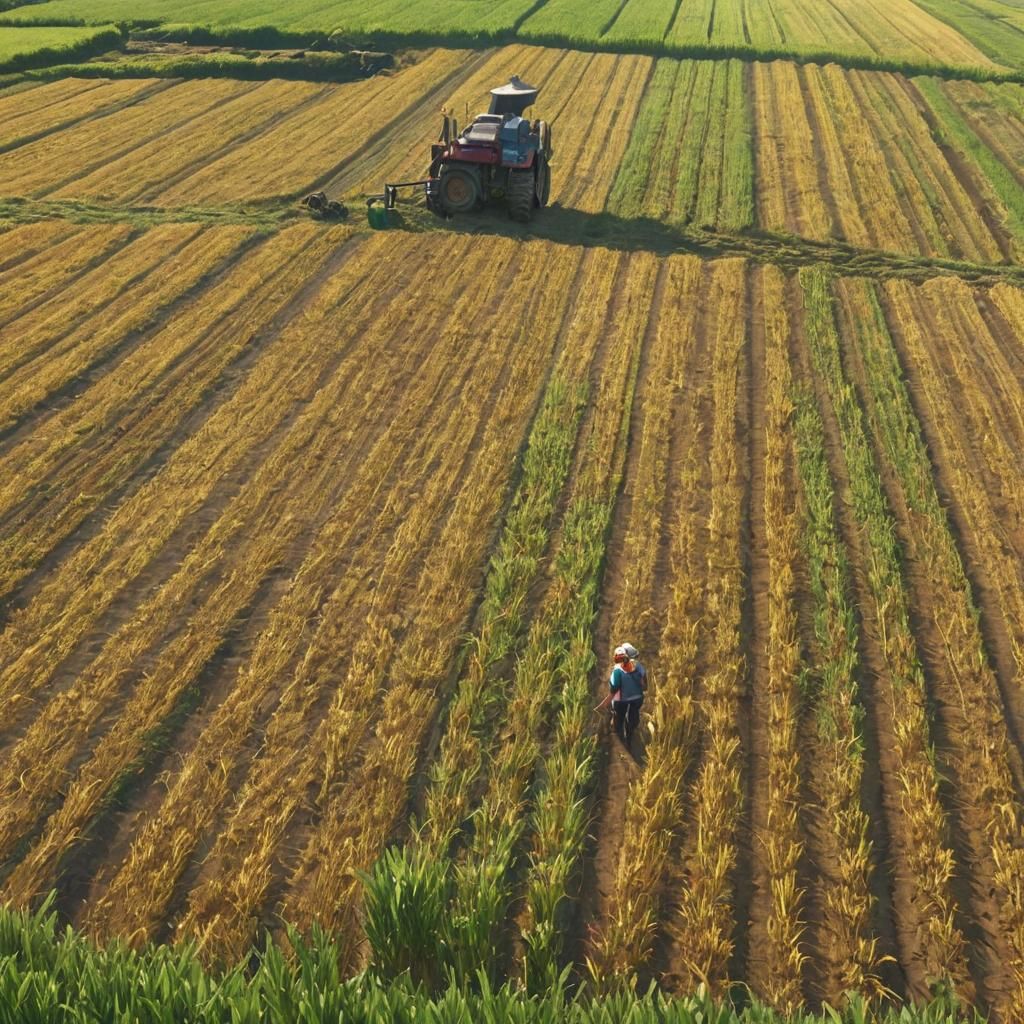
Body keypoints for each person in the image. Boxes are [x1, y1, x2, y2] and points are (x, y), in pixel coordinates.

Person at [608, 642, 646, 746]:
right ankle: (630, 734)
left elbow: (614, 685)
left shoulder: (617, 669)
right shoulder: (638, 666)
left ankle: (618, 732)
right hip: (636, 698)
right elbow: (644, 684)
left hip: (622, 699)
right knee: (634, 712)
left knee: (618, 713)